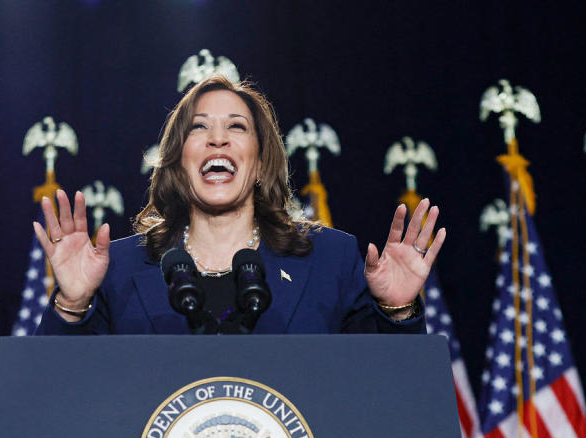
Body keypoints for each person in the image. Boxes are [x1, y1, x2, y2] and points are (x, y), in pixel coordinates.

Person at [33, 76, 446, 335]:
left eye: (236, 127)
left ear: (262, 162)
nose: (218, 140)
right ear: (178, 160)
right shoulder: (118, 268)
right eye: (200, 128)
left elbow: (384, 398)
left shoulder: (330, 261)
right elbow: (58, 400)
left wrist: (398, 311)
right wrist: (72, 304)